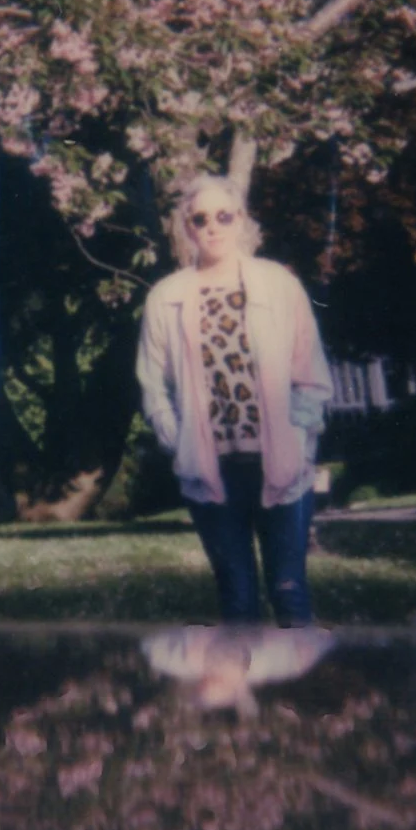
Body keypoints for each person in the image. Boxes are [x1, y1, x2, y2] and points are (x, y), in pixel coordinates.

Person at [136, 172, 334, 626]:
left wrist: (301, 440)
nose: (213, 226)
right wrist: (178, 441)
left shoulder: (278, 284)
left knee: (290, 593)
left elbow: (310, 372)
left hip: (281, 468)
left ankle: (290, 696)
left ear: (241, 220)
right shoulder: (166, 298)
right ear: (187, 227)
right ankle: (245, 694)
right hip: (213, 475)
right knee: (237, 599)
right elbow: (153, 385)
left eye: (224, 216)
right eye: (200, 218)